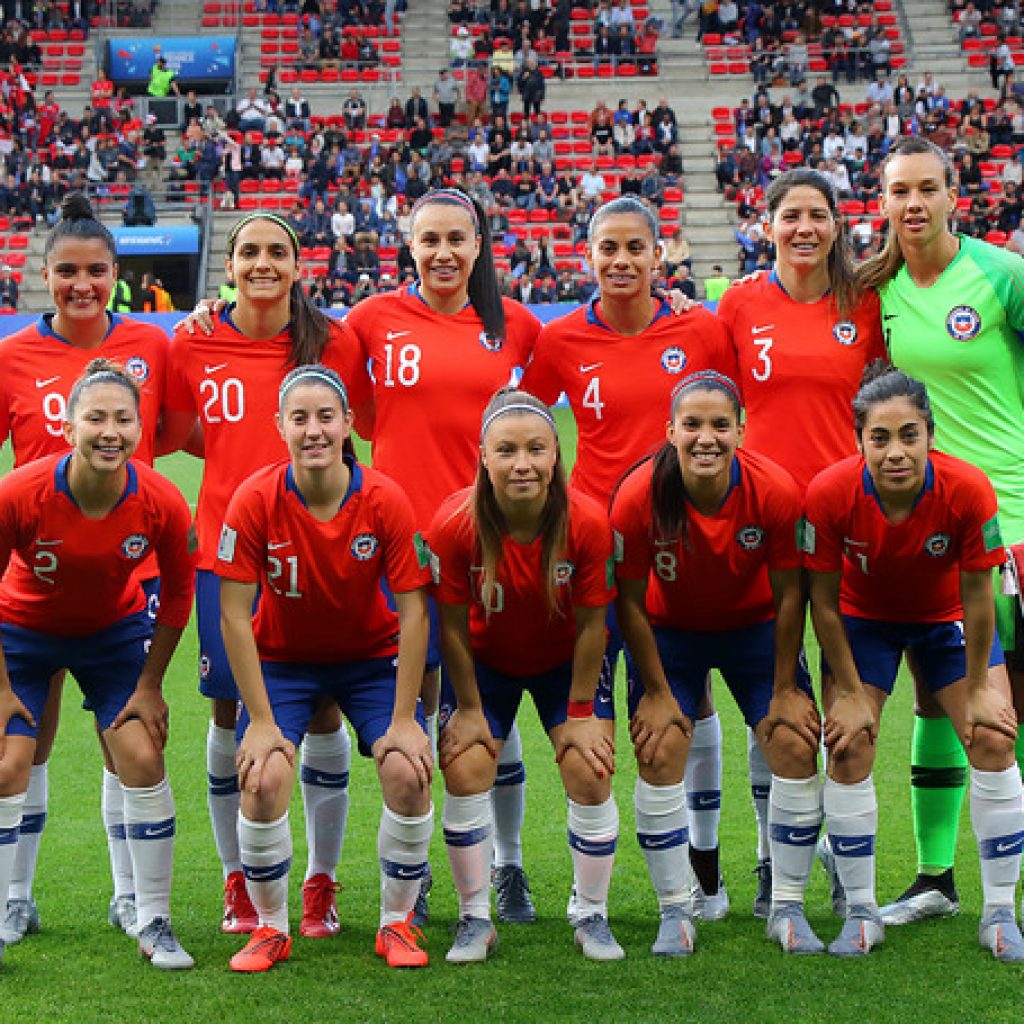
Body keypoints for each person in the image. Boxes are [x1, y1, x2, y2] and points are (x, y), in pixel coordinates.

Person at [183, 188, 543, 926]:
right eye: (428, 238)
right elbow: (180, 430)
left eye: (457, 238)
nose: (443, 251)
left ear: (479, 244)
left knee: (465, 709)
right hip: (299, 550)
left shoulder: (512, 328)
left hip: (454, 544)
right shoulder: (355, 323)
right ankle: (253, 880)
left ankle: (487, 866)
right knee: (260, 720)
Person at [520, 197, 738, 920]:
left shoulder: (699, 328)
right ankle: (560, 884)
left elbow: (738, 415)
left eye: (634, 248)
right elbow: (517, 421)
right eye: (607, 248)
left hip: (680, 544)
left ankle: (703, 873)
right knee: (587, 710)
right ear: (588, 256)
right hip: (588, 549)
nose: (620, 261)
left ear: (658, 256)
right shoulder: (558, 340)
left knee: (686, 697)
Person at [162, 213, 370, 940]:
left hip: (322, 553)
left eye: (275, 252)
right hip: (228, 555)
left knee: (322, 713)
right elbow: (178, 430)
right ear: (228, 265)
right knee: (231, 716)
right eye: (248, 251)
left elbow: (364, 425)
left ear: (297, 264)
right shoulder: (194, 338)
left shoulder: (332, 341)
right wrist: (227, 458)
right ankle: (238, 880)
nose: (261, 263)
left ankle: (321, 881)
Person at [803, 364, 1024, 961]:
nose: (895, 451)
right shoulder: (828, 493)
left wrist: (979, 686)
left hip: (946, 620)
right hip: (862, 622)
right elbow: (822, 604)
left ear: (930, 434)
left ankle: (1001, 912)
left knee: (994, 738)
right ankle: (861, 911)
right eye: (880, 438)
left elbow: (980, 598)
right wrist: (848, 691)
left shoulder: (969, 488)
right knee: (847, 746)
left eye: (909, 435)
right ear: (859, 440)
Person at [857, 136, 1024, 927]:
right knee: (939, 700)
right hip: (937, 529)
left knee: (1003, 706)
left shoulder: (1000, 275)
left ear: (954, 195)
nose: (913, 203)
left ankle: (998, 880)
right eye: (899, 191)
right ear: (882, 202)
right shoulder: (878, 288)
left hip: (1017, 521)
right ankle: (935, 878)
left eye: (927, 188)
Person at [217, 364, 433, 972]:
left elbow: (415, 612)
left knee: (409, 770)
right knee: (261, 780)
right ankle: (270, 928)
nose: (314, 430)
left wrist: (403, 718)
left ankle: (396, 925)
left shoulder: (385, 498)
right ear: (279, 426)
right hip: (283, 664)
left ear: (347, 424)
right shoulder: (255, 499)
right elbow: (234, 614)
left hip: (370, 662)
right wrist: (259, 720)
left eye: (325, 417)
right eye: (300, 418)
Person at [0, 194, 171, 946]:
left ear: (116, 275)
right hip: (32, 582)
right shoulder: (12, 356)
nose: (82, 284)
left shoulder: (153, 344)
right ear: (44, 276)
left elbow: (194, 426)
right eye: (66, 271)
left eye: (96, 271)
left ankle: (129, 898)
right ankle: (15, 898)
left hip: (123, 576)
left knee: (124, 738)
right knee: (24, 742)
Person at [0, 358, 196, 969]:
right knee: (9, 763)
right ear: (68, 424)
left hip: (113, 636)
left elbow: (180, 596)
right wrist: (3, 690)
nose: (110, 431)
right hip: (24, 633)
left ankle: (151, 917)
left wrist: (151, 684)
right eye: (96, 418)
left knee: (142, 755)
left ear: (141, 429)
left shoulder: (161, 499)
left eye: (124, 419)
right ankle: (10, 904)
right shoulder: (19, 492)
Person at [611, 370, 812, 955]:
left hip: (754, 632)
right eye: (692, 425)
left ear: (741, 430)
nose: (706, 438)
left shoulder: (773, 489)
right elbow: (627, 599)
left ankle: (787, 905)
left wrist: (784, 688)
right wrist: (654, 689)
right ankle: (677, 909)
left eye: (720, 425)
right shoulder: (638, 494)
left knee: (795, 740)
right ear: (669, 430)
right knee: (661, 743)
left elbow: (790, 593)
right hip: (669, 635)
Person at [429, 387, 620, 962]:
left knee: (590, 770)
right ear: (482, 456)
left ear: (556, 455)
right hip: (486, 664)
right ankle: (474, 919)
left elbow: (593, 626)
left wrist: (583, 713)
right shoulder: (454, 524)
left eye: (536, 449)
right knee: (465, 767)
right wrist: (466, 707)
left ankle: (592, 915)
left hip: (566, 662)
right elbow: (453, 629)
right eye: (506, 450)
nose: (522, 464)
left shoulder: (586, 521)